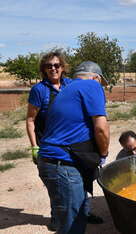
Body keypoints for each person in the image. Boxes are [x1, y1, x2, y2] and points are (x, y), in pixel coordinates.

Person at [37, 61, 110, 234]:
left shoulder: (67, 90)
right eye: (101, 83)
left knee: (78, 214)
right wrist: (104, 153)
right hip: (62, 164)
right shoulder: (91, 85)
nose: (101, 87)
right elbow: (101, 128)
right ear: (96, 78)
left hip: (56, 161)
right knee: (72, 227)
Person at [26, 51, 72, 231]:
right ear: (44, 69)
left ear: (62, 67)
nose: (53, 68)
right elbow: (30, 120)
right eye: (49, 66)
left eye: (57, 65)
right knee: (56, 184)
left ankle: (81, 212)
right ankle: (57, 218)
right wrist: (34, 147)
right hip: (48, 145)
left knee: (78, 180)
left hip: (71, 143)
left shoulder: (70, 85)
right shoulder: (39, 90)